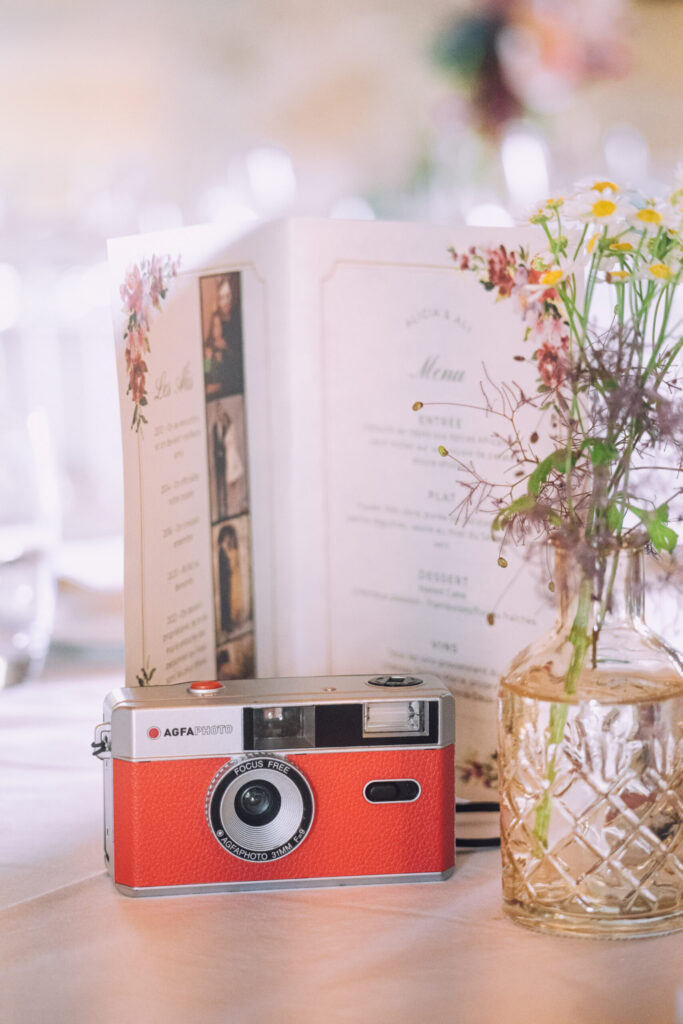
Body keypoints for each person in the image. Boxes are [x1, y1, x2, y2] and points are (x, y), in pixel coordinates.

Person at [215, 274, 244, 396]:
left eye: (228, 296)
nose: (226, 302)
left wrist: (225, 345)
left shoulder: (238, 319)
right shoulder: (217, 320)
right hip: (226, 385)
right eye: (222, 297)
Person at [218, 524, 244, 637]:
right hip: (227, 581)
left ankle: (234, 622)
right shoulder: (223, 552)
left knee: (235, 600)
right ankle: (228, 625)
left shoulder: (231, 550)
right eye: (227, 538)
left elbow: (234, 564)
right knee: (228, 603)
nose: (229, 540)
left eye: (230, 538)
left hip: (233, 578)